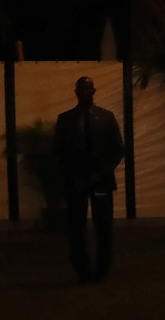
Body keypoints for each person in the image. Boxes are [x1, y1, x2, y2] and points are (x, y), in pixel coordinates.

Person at [53, 76, 124, 283]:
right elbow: (59, 152)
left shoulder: (106, 117)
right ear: (76, 92)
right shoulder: (65, 119)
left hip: (101, 181)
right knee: (76, 229)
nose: (84, 93)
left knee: (104, 228)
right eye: (81, 90)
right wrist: (73, 175)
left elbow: (117, 149)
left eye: (87, 89)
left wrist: (101, 173)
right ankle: (82, 271)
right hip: (76, 182)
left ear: (93, 91)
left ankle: (102, 271)